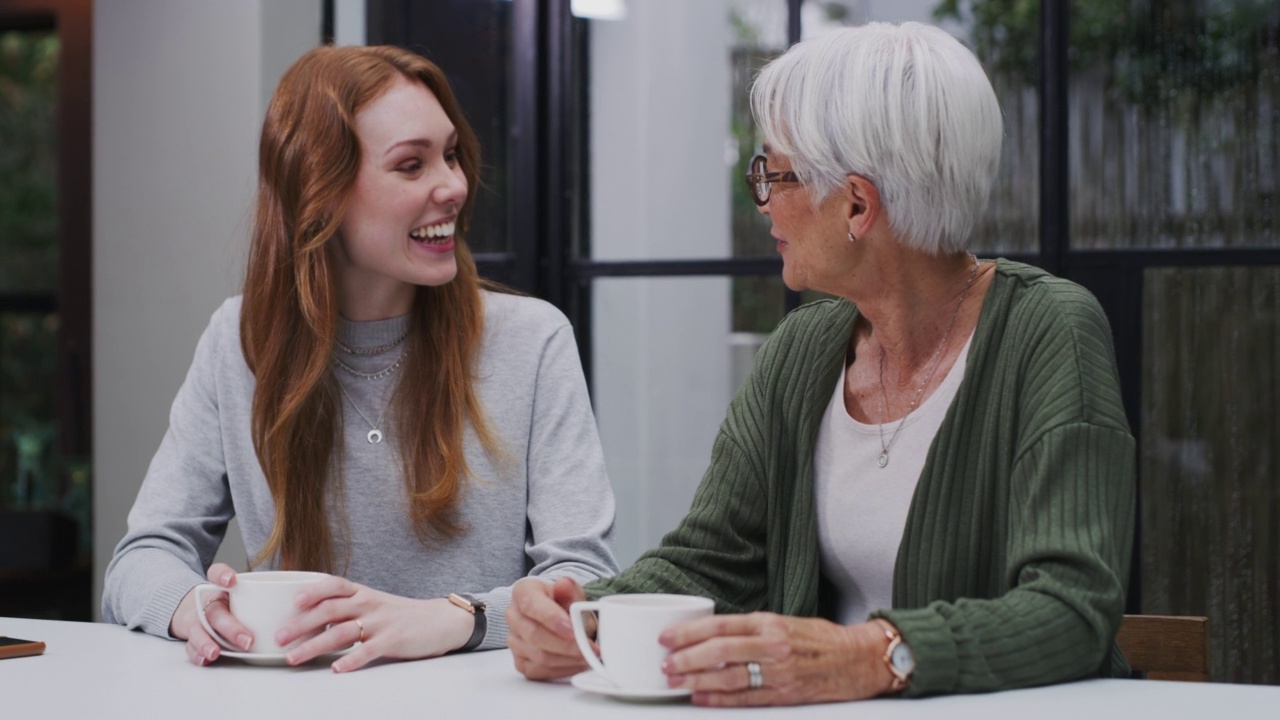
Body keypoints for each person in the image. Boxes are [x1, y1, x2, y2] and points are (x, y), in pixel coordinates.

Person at [506, 21, 1135, 706]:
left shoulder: (1049, 332)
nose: (764, 201)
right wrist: (586, 615)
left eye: (774, 174)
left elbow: (1072, 609)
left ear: (857, 204)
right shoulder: (802, 350)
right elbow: (713, 561)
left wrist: (870, 655)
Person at [101, 45, 618, 672]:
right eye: (411, 165)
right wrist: (193, 605)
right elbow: (141, 557)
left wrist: (459, 618)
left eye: (451, 154)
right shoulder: (236, 340)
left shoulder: (533, 341)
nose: (454, 185)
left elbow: (584, 584)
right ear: (321, 194)